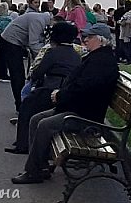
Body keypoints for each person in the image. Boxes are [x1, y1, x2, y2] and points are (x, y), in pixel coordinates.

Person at [11, 23, 119, 184]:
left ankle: (33, 172)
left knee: (44, 124)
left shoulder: (101, 63)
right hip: (78, 109)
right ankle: (40, 167)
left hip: (85, 117)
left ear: (101, 41)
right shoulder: (97, 58)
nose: (85, 40)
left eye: (89, 37)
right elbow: (79, 86)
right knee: (36, 119)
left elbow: (84, 89)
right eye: (85, 36)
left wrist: (60, 96)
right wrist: (60, 95)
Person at [4, 22, 81, 154]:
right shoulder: (76, 55)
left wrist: (35, 79)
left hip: (51, 89)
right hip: (67, 91)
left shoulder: (53, 52)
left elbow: (38, 73)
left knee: (27, 105)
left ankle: (23, 144)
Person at [0, 10, 52, 111]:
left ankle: (22, 103)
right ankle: (20, 105)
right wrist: (46, 54)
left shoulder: (40, 19)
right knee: (17, 74)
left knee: (20, 74)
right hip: (11, 41)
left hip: (14, 40)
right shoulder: (38, 21)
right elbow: (34, 43)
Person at [119, 0, 131, 65]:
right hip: (130, 29)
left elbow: (123, 20)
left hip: (125, 30)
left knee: (125, 45)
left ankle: (128, 58)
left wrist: (120, 22)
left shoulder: (127, 13)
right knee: (129, 44)